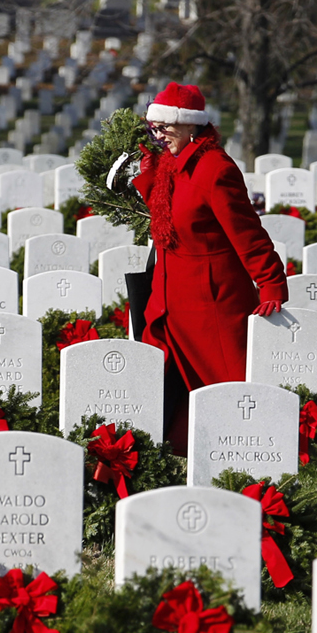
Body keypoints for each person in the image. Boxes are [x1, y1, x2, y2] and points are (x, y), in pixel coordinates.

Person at [130, 82, 288, 452]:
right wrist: (150, 173)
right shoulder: (170, 163)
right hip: (168, 305)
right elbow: (168, 213)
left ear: (190, 126)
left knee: (226, 395)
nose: (158, 135)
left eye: (164, 127)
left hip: (209, 307)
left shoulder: (215, 169)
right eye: (154, 128)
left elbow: (247, 232)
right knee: (166, 394)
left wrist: (271, 283)